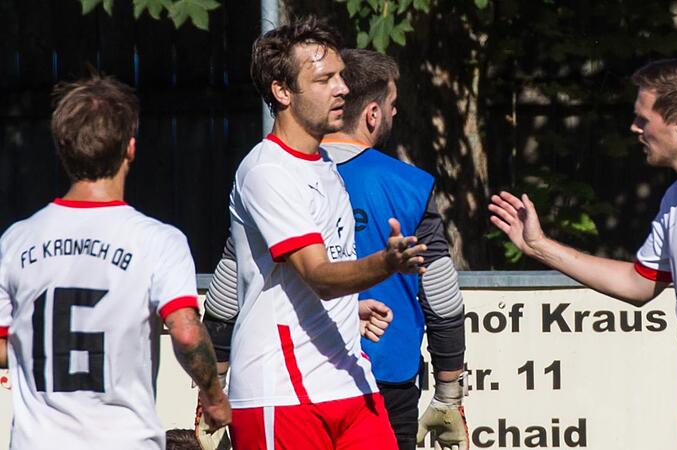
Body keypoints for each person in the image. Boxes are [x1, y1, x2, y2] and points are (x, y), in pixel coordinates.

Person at [489, 57, 677, 449]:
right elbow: (638, 283)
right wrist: (540, 246)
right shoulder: (676, 198)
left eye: (642, 118)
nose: (634, 128)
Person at [202, 49, 469, 450]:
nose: (395, 113)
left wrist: (214, 380)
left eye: (340, 79)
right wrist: (449, 393)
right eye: (392, 105)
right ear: (373, 114)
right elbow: (441, 295)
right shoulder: (406, 184)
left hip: (352, 381)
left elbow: (228, 287)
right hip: (353, 377)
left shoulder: (322, 169)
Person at [0, 76, 231, 449]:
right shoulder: (158, 241)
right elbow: (187, 333)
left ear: (61, 149)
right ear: (131, 148)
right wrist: (214, 396)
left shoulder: (17, 241)